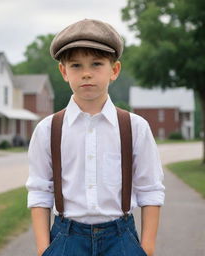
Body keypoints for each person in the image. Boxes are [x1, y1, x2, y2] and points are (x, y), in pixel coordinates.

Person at [26, 19, 165, 256]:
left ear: (114, 70)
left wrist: (147, 248)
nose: (87, 73)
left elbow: (150, 188)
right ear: (64, 71)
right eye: (76, 65)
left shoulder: (135, 127)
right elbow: (40, 190)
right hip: (66, 238)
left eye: (97, 64)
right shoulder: (48, 129)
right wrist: (43, 249)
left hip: (121, 239)